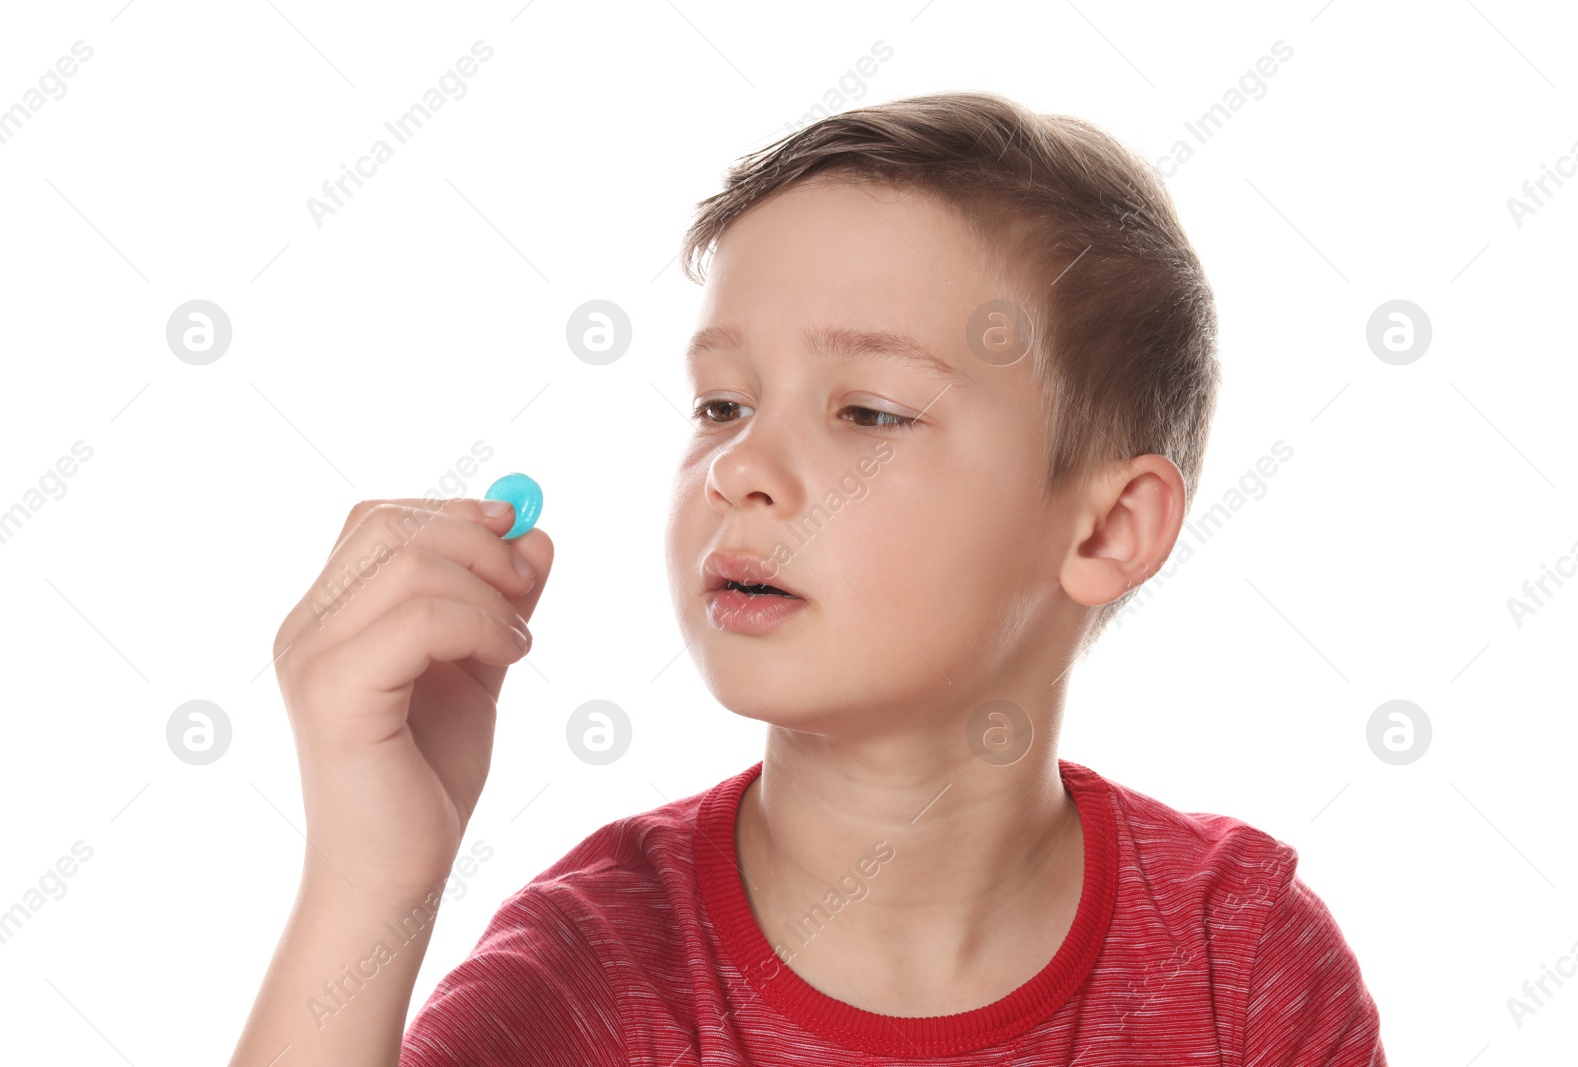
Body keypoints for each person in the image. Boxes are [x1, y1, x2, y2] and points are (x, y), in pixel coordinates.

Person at [230, 90, 1386, 1065]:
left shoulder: (1241, 962)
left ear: (1105, 529)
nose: (741, 467)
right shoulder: (597, 971)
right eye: (722, 404)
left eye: (868, 410)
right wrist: (370, 875)